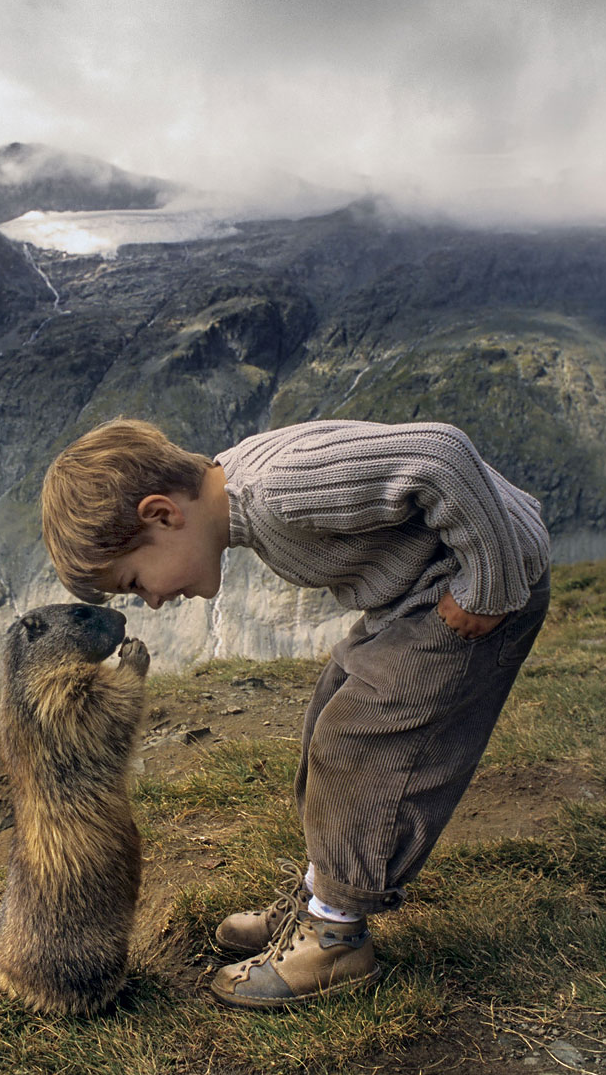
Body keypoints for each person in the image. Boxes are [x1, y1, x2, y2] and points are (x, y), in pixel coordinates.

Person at [41, 417, 551, 1011]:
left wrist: (487, 584)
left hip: (473, 591)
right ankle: (319, 899)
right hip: (415, 594)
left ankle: (335, 938)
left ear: (162, 515)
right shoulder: (242, 491)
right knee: (328, 721)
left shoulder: (282, 490)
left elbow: (439, 452)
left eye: (135, 581)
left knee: (357, 745)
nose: (152, 600)